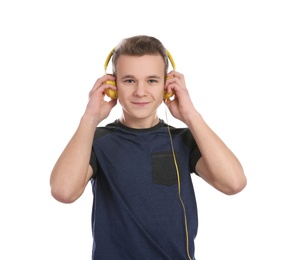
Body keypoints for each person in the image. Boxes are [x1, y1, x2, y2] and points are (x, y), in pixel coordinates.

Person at [50, 35, 247, 260]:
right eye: (129, 80)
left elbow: (234, 183)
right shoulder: (95, 141)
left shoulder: (183, 140)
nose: (140, 92)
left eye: (152, 80)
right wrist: (90, 117)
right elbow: (63, 191)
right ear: (112, 86)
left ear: (167, 85)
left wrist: (190, 115)